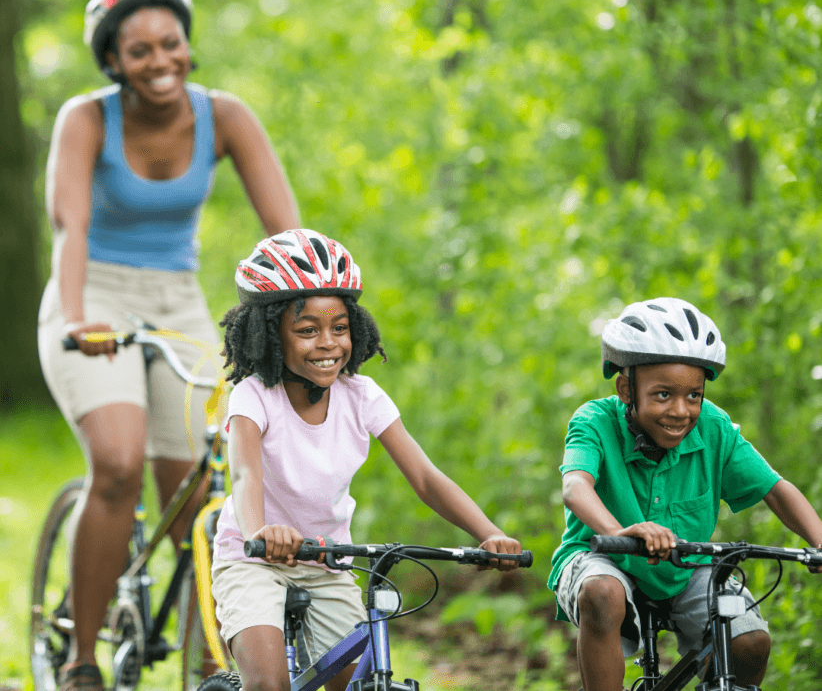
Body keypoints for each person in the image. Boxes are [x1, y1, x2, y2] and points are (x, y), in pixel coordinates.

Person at [37, 0, 300, 691]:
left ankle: (210, 664)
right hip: (91, 292)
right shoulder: (86, 118)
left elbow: (287, 231)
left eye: (171, 43)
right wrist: (80, 310)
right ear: (113, 61)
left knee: (198, 490)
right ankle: (81, 658)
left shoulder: (226, 117)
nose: (160, 61)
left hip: (179, 298)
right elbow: (70, 224)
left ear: (187, 44)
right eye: (139, 50)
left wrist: (313, 315)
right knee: (119, 463)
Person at [211, 229, 522, 691]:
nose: (328, 343)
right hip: (253, 558)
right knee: (268, 685)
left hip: (327, 561)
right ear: (269, 334)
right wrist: (260, 533)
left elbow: (425, 478)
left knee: (352, 683)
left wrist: (488, 533)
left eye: (339, 328)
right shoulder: (252, 397)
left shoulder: (361, 396)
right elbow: (245, 474)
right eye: (307, 330)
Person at [548, 297, 822, 691]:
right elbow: (575, 487)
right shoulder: (593, 421)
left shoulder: (714, 428)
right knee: (602, 593)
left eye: (693, 395)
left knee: (749, 639)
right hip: (600, 557)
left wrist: (817, 539)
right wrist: (622, 530)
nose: (681, 410)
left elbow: (775, 489)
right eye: (663, 395)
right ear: (626, 388)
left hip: (684, 567)